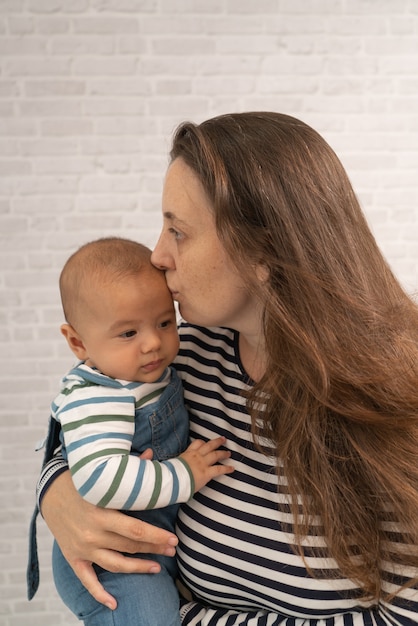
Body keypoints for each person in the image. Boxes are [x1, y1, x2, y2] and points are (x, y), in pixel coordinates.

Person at [29, 112, 418, 625]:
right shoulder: (185, 357)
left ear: (263, 251)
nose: (158, 254)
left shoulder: (399, 402)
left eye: (179, 231)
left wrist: (184, 620)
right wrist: (57, 493)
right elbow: (86, 413)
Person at [37, 237, 233, 626]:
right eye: (128, 334)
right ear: (78, 342)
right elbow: (98, 479)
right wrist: (186, 474)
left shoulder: (148, 376)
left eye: (164, 322)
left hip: (152, 551)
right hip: (114, 563)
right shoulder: (96, 397)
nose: (153, 343)